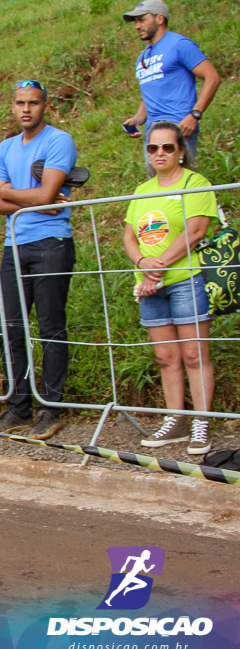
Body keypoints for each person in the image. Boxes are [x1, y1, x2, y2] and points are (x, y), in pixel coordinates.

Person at [0, 79, 77, 438]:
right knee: (8, 326)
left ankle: (51, 409)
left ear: (45, 106)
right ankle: (19, 407)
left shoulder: (59, 141)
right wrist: (36, 199)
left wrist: (11, 191)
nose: (27, 109)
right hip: (14, 246)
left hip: (52, 243)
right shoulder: (5, 148)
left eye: (34, 103)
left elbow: (48, 193)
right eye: (21, 103)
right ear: (13, 106)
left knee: (51, 327)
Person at [123, 121, 215, 456]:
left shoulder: (196, 183)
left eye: (167, 147)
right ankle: (175, 418)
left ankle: (203, 420)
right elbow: (129, 237)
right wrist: (141, 266)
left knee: (194, 353)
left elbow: (195, 232)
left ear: (180, 151)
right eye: (152, 148)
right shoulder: (140, 190)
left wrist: (156, 267)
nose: (159, 153)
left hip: (183, 279)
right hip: (149, 284)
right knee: (166, 357)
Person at [121, 0, 220, 160]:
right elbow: (152, 89)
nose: (137, 26)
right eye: (136, 22)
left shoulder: (179, 44)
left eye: (142, 20)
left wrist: (194, 115)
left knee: (178, 182)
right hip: (152, 133)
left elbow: (212, 77)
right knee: (160, 184)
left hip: (178, 127)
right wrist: (138, 119)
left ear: (159, 19)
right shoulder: (143, 56)